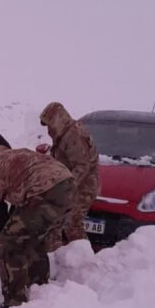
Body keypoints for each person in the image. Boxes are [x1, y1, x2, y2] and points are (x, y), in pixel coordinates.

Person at [0, 143, 74, 308]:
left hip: (45, 191)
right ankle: (40, 289)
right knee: (33, 239)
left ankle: (14, 302)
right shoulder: (14, 156)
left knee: (9, 242)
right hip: (67, 186)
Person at [38, 102, 99, 250]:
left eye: (49, 124)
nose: (48, 130)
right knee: (55, 221)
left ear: (57, 120)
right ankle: (55, 254)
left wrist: (65, 187)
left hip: (82, 186)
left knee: (72, 224)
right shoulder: (63, 134)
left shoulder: (74, 135)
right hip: (69, 184)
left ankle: (82, 258)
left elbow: (82, 166)